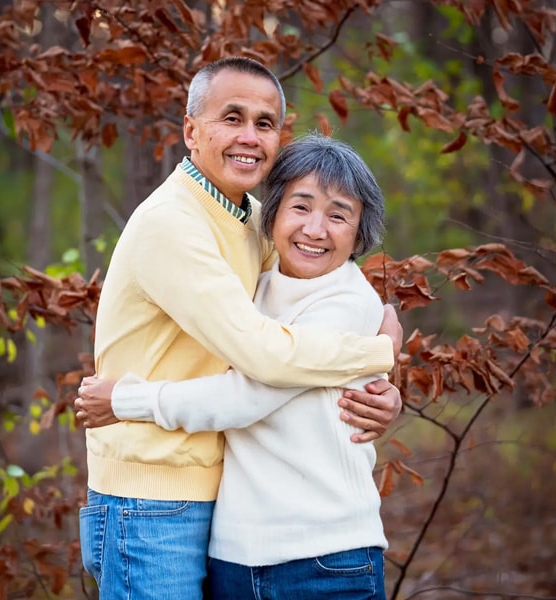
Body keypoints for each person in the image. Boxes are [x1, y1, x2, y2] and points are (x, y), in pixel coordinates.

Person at [80, 56, 402, 600]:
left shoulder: (253, 221)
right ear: (190, 129)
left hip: (217, 500)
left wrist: (380, 389)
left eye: (264, 123)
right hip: (152, 499)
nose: (249, 137)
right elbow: (266, 357)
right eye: (231, 118)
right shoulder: (174, 224)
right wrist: (377, 353)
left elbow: (319, 302)